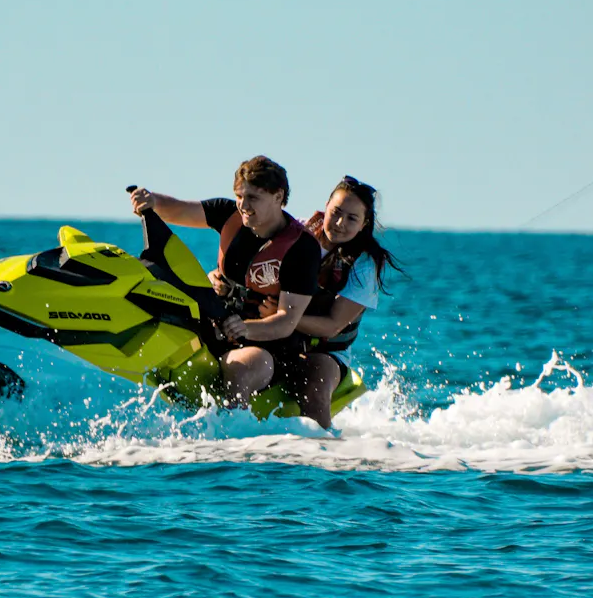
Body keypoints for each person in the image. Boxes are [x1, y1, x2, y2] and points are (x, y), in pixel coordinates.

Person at [128, 156, 324, 409]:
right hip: (216, 323)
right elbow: (179, 209)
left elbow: (287, 321)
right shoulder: (227, 213)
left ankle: (231, 440)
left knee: (241, 368)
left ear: (278, 197)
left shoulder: (302, 247)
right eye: (240, 196)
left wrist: (245, 328)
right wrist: (151, 201)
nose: (243, 205)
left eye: (253, 198)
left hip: (266, 346)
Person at [289, 176, 400, 428]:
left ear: (364, 224)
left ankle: (322, 455)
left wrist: (280, 317)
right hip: (275, 333)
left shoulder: (363, 264)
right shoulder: (295, 233)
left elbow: (331, 326)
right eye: (336, 212)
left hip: (325, 351)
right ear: (326, 206)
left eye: (352, 218)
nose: (339, 223)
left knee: (314, 385)